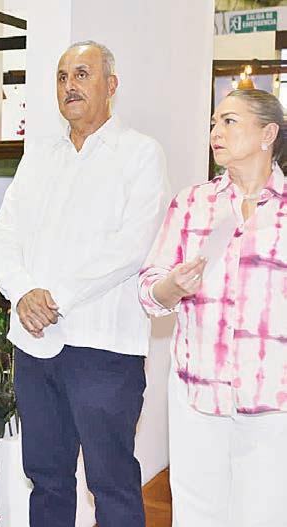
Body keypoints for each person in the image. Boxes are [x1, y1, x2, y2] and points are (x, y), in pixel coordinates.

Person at [0, 41, 168, 526]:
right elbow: (5, 233)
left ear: (111, 85)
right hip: (35, 345)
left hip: (104, 346)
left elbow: (132, 245)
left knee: (111, 482)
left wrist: (56, 299)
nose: (70, 86)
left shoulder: (140, 154)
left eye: (82, 74)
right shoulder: (38, 157)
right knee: (46, 477)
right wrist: (22, 292)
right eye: (62, 76)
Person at [139, 89, 286, 527]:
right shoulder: (192, 203)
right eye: (213, 123)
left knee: (265, 515)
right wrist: (172, 286)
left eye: (230, 121)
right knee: (197, 514)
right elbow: (149, 289)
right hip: (198, 394)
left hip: (273, 399)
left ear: (268, 134)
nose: (216, 132)